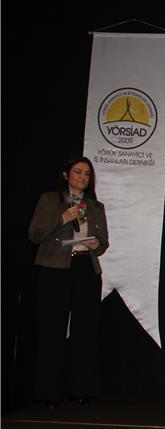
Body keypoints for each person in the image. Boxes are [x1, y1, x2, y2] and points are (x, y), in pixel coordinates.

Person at [28, 156, 109, 407]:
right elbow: (34, 234)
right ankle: (48, 392)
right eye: (78, 172)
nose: (83, 177)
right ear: (66, 175)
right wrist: (62, 218)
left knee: (85, 331)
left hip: (86, 267)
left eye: (87, 174)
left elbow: (104, 242)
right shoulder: (49, 200)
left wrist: (96, 244)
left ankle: (82, 389)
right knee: (52, 329)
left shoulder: (95, 206)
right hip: (55, 268)